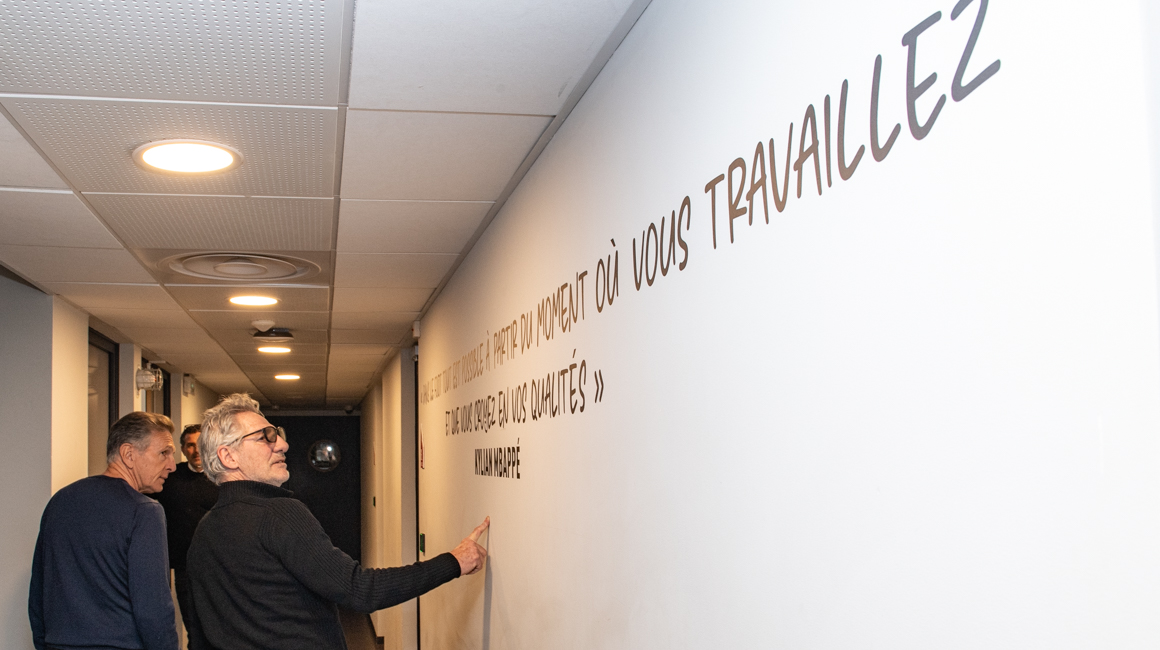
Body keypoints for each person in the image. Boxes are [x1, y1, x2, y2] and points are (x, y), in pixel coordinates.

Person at [187, 394, 488, 650]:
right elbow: (359, 590)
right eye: (265, 437)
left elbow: (200, 633)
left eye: (276, 433)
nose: (282, 445)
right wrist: (454, 562)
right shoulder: (279, 513)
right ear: (228, 456)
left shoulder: (205, 529)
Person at [29, 411, 179, 650]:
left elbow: (38, 591)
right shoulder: (144, 511)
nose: (172, 465)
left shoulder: (60, 500)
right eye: (164, 453)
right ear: (129, 454)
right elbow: (153, 608)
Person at [153, 423, 219, 637]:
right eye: (190, 445)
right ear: (182, 449)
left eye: (200, 444)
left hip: (218, 564)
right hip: (183, 566)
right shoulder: (170, 478)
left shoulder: (222, 478)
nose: (196, 450)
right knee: (193, 627)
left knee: (219, 625)